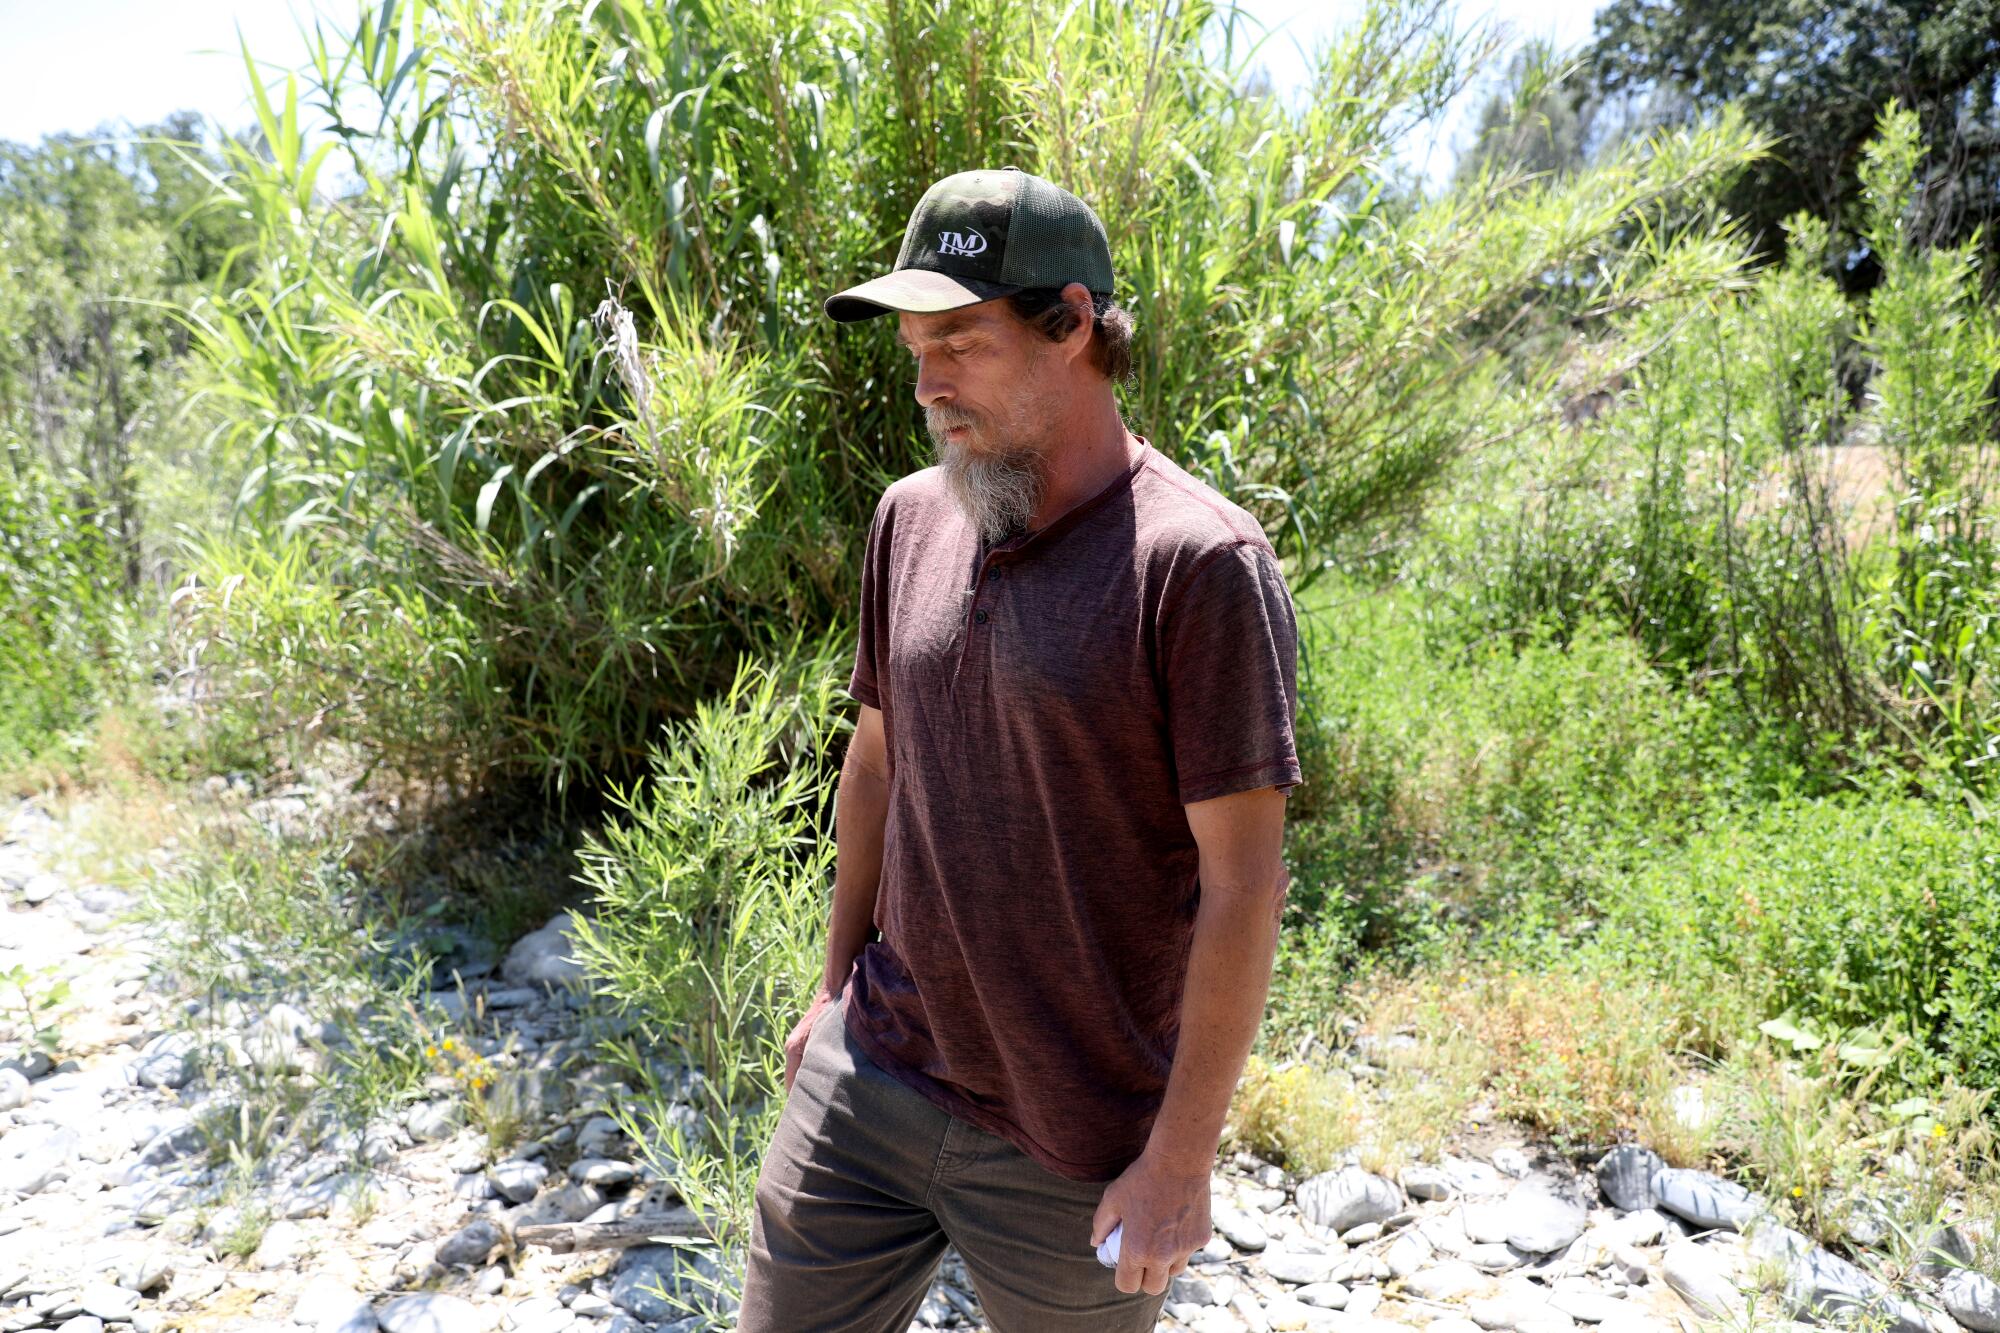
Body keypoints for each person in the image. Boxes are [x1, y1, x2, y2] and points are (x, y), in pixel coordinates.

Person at [737, 166, 1303, 1332]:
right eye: (912, 351)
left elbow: (1244, 884)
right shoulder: (909, 516)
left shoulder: (1195, 565)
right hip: (875, 1074)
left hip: (1076, 1145)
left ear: (1074, 324)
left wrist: (1177, 1164)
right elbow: (877, 765)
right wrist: (835, 989)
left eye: (960, 342)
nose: (927, 385)